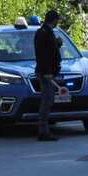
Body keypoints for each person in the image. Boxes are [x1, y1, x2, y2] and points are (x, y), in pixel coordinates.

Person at [34, 10, 62, 142]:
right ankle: (43, 131)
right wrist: (47, 72)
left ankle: (44, 130)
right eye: (57, 20)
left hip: (49, 72)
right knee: (46, 101)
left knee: (49, 101)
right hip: (46, 73)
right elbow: (42, 55)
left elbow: (50, 50)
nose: (58, 22)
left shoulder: (48, 32)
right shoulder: (42, 33)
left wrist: (57, 44)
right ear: (53, 20)